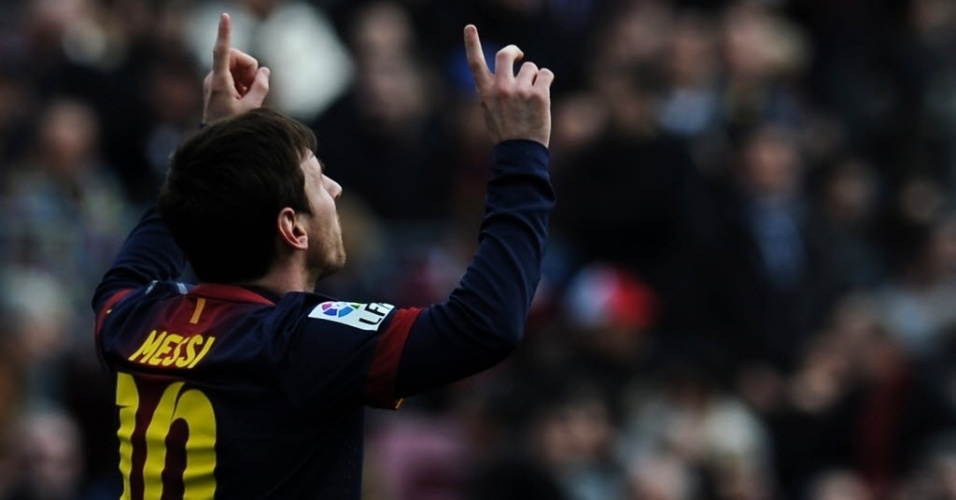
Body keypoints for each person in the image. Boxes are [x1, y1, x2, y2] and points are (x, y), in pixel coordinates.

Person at [90, 13, 554, 499]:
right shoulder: (297, 342)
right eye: (318, 180)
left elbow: (160, 235)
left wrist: (217, 140)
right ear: (292, 227)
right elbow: (483, 325)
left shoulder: (132, 320)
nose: (335, 190)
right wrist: (521, 152)